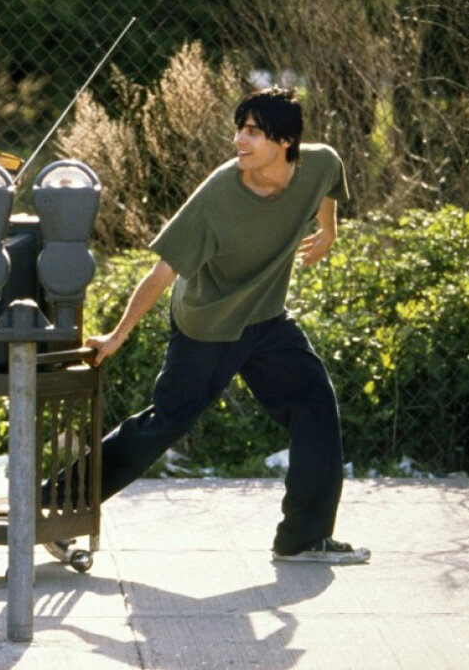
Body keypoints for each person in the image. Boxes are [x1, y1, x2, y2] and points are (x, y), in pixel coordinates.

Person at [43, 87, 369, 566]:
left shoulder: (318, 163)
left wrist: (329, 231)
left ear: (285, 141)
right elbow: (163, 271)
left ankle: (302, 539)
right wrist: (118, 334)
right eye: (239, 129)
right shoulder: (219, 193)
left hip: (266, 319)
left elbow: (329, 184)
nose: (239, 140)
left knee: (315, 405)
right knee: (166, 422)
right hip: (207, 323)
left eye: (253, 132)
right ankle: (54, 505)